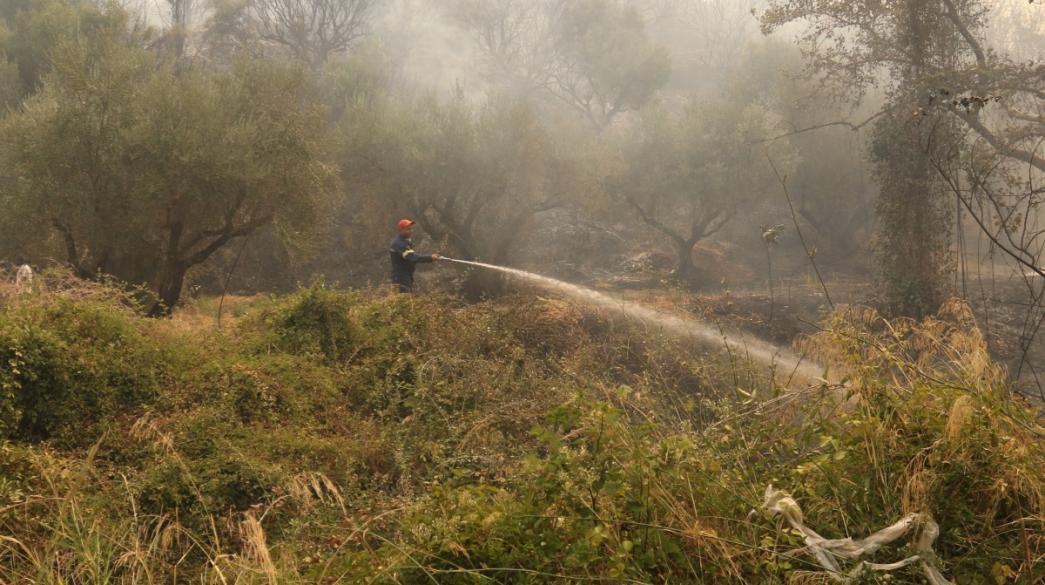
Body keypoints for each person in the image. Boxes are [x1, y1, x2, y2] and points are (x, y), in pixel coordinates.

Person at [389, 219, 442, 293]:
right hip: (400, 279)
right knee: (404, 302)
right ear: (401, 230)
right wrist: (431, 258)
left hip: (405, 278)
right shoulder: (399, 244)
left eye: (411, 229)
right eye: (408, 229)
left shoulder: (405, 241)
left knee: (406, 301)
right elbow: (413, 258)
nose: (411, 231)